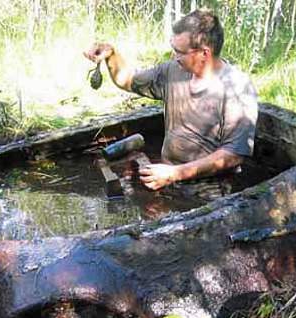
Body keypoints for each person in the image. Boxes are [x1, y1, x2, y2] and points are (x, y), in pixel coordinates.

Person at [84, 9, 258, 199]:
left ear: (204, 53)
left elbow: (233, 155)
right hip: (167, 178)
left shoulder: (237, 88)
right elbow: (129, 80)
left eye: (179, 52)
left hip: (210, 190)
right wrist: (111, 54)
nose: (173, 56)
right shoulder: (173, 71)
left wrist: (175, 173)